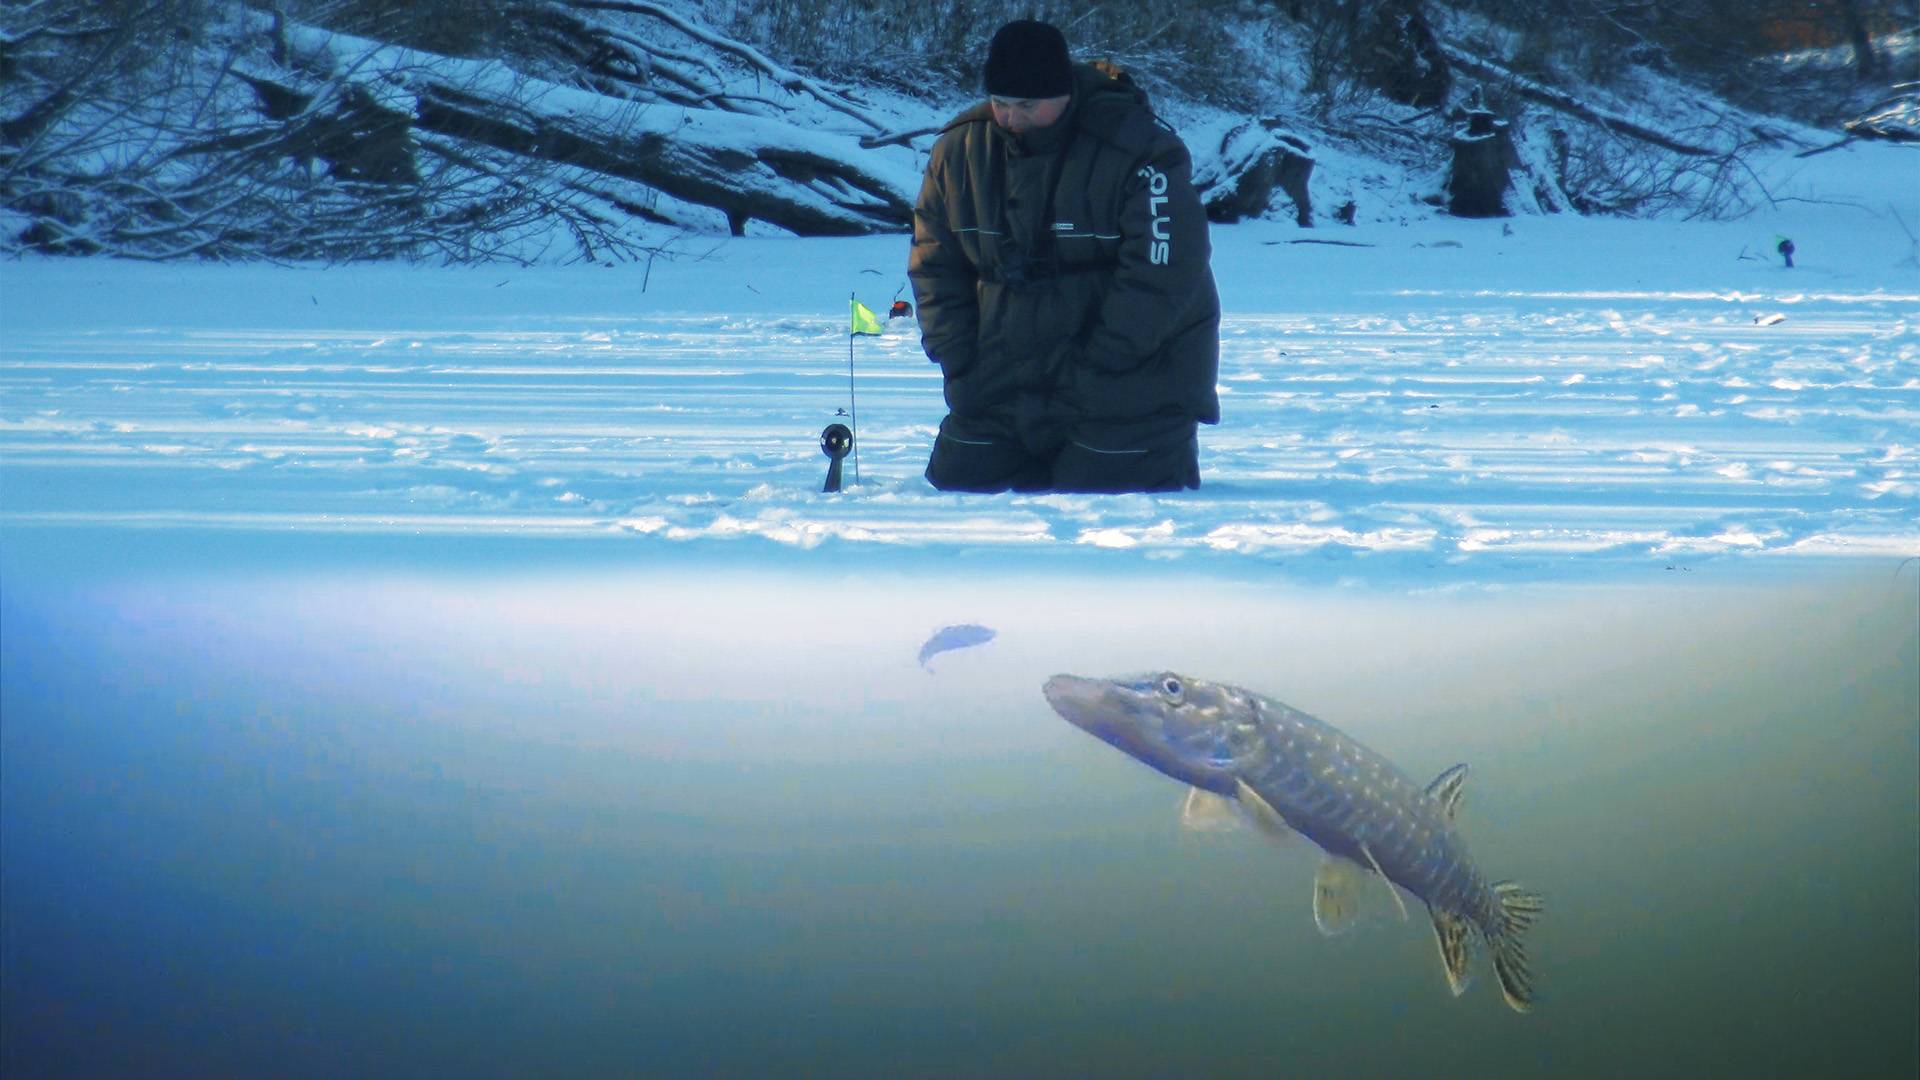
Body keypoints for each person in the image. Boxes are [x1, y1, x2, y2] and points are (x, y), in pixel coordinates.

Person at [909, 19, 1221, 494]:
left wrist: (1100, 366)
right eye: (1001, 103)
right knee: (961, 482)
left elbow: (1165, 274)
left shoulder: (1141, 150)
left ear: (1065, 93)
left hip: (1127, 383)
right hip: (1000, 382)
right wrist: (960, 363)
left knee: (1095, 492)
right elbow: (934, 266)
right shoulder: (960, 148)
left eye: (1027, 106)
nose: (1011, 118)